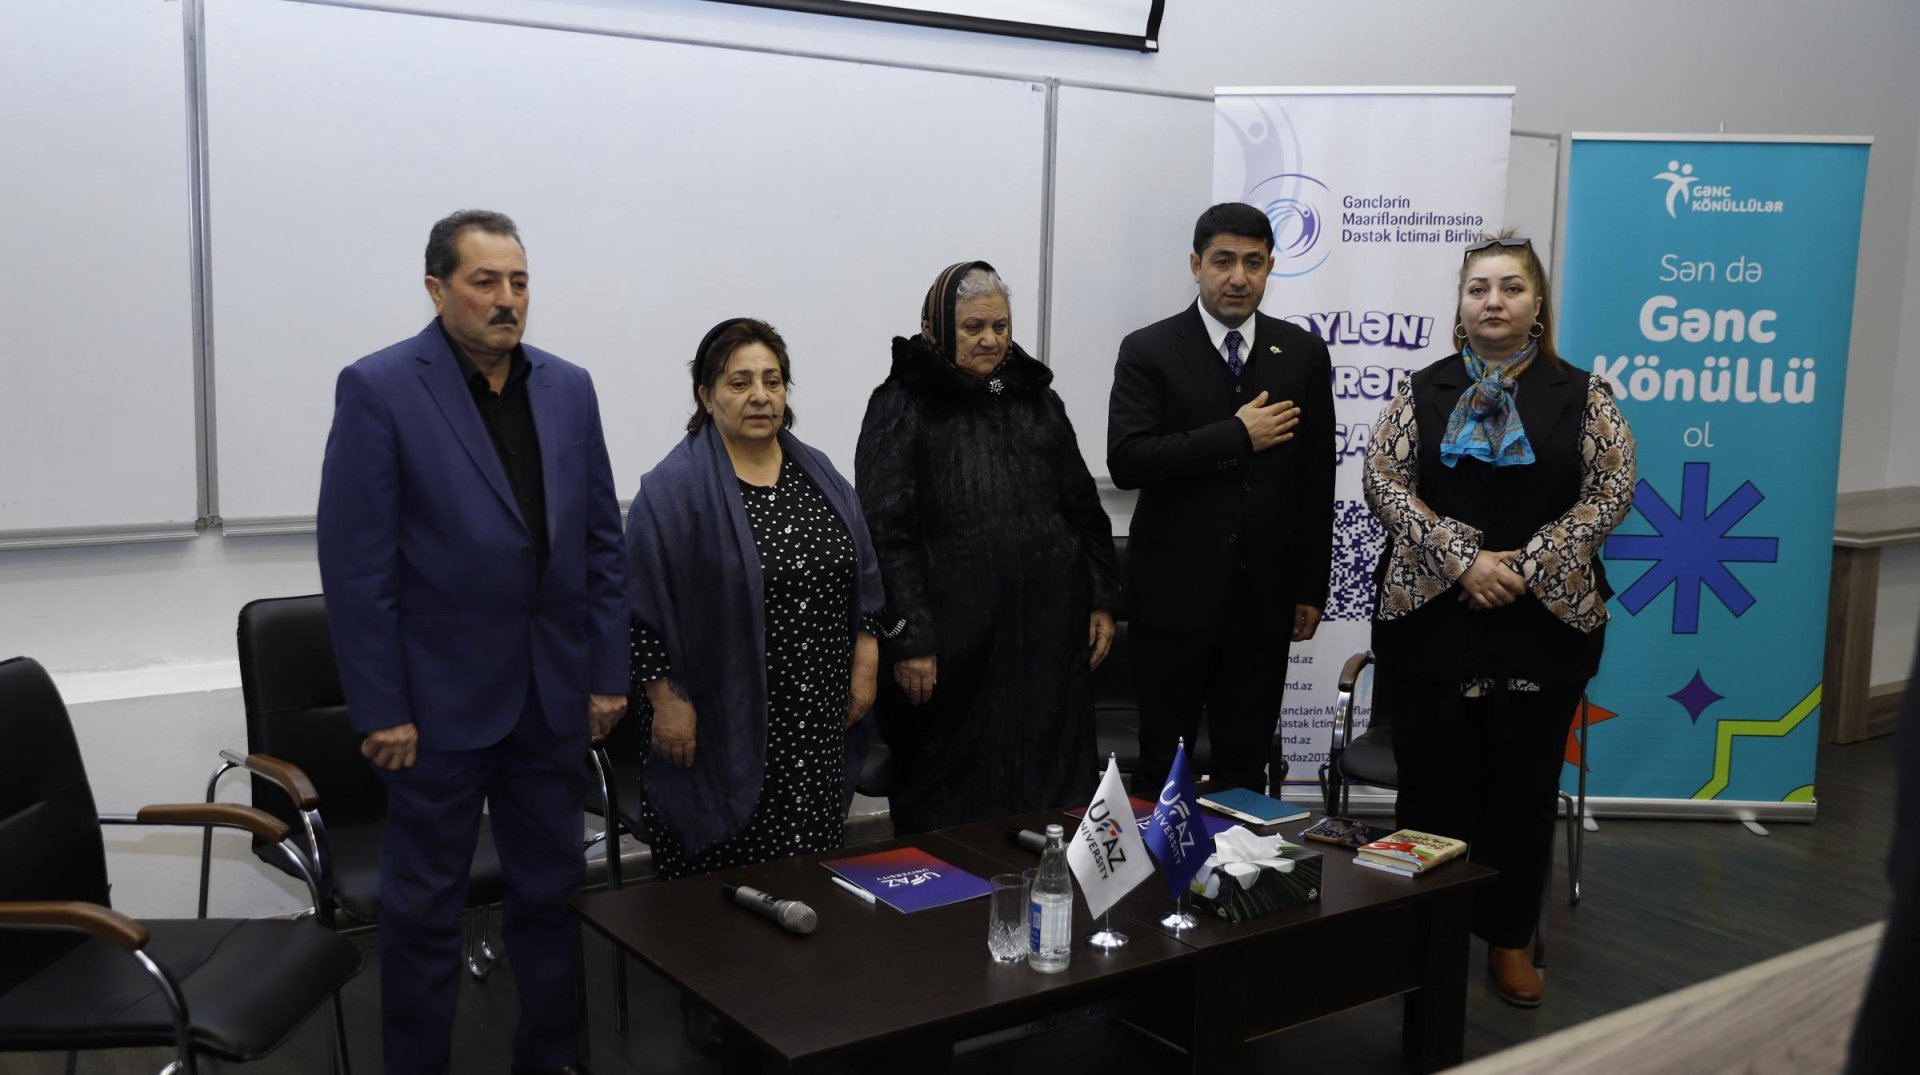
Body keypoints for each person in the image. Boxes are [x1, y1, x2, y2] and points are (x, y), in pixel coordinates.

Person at [317, 210, 628, 1075]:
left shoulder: (569, 387)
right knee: (422, 913)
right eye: (484, 281)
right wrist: (381, 706)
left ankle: (552, 1059)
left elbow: (602, 542)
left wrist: (606, 672)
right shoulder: (380, 388)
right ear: (437, 288)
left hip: (551, 697)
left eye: (519, 282)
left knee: (553, 896)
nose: (506, 299)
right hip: (436, 706)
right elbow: (357, 568)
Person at [1362, 234, 1636, 1008]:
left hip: (1542, 623)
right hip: (1433, 621)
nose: (1494, 301)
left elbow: (1613, 488)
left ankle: (1509, 938)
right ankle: (1425, 936)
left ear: (1537, 302)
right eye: (1479, 287)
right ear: (1460, 301)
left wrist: (1527, 563)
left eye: (1512, 287)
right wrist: (1464, 561)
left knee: (1522, 791)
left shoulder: (1584, 394)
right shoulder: (1421, 391)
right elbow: (1382, 480)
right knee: (1431, 790)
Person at [856, 261, 1119, 833]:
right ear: (935, 329)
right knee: (954, 806)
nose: (991, 340)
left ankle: (1053, 882)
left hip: (1048, 645)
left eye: (1000, 326)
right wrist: (909, 640)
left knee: (1054, 795)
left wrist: (1100, 596)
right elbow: (885, 533)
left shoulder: (1034, 397)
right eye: (973, 327)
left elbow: (1082, 507)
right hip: (952, 654)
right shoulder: (902, 404)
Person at [625, 318, 884, 879]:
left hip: (816, 722)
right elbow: (638, 612)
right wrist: (666, 703)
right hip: (720, 722)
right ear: (706, 396)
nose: (760, 396)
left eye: (773, 380)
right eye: (739, 383)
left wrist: (866, 662)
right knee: (726, 894)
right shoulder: (670, 493)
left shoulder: (821, 474)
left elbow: (864, 579)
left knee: (809, 876)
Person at [1107, 203, 1336, 800]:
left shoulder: (1302, 353)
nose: (1238, 277)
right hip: (1172, 598)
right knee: (1164, 768)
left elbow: (1317, 481)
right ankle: (1156, 864)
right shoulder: (1149, 349)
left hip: (1264, 602)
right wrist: (1236, 435)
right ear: (1196, 264)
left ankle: (1241, 865)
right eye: (1223, 261)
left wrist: (1311, 587)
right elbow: (1128, 460)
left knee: (1245, 769)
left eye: (1253, 263)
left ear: (1270, 268)